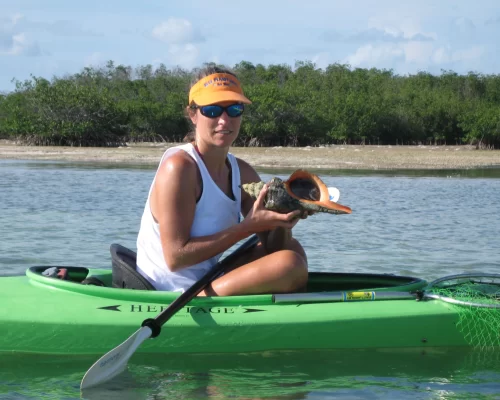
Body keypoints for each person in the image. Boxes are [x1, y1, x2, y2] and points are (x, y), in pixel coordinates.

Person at [136, 66, 309, 296]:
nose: (224, 120)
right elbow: (175, 258)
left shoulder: (242, 171)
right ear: (193, 114)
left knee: (293, 250)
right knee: (290, 264)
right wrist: (247, 228)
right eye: (213, 110)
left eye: (234, 109)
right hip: (170, 292)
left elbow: (275, 247)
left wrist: (283, 220)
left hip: (208, 279)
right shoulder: (179, 167)